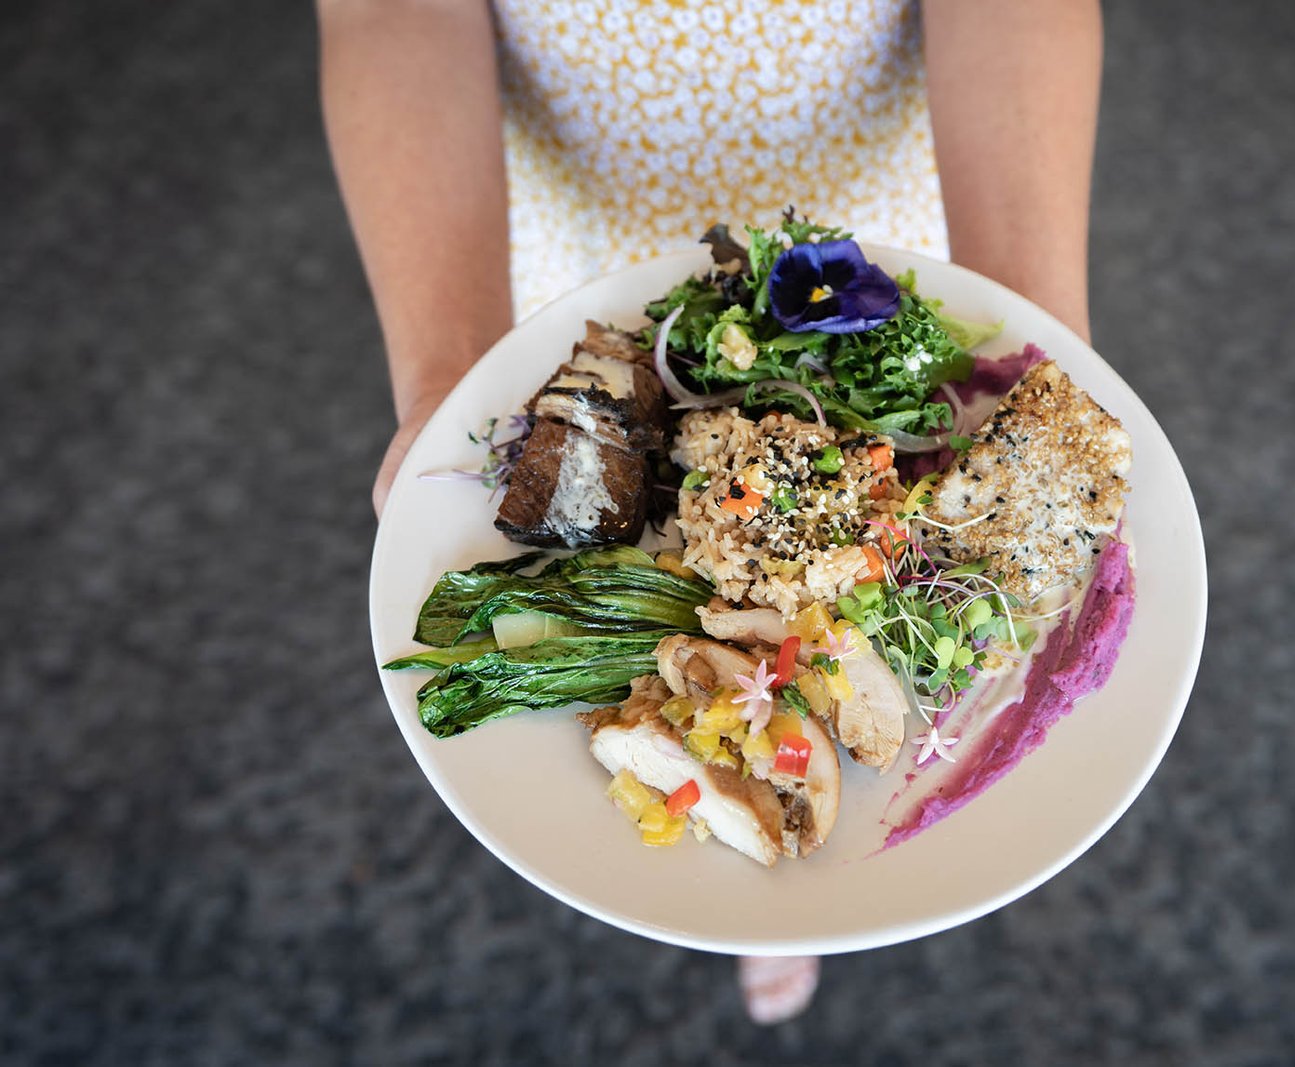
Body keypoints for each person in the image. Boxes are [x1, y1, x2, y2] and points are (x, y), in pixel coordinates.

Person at [317, 0, 1101, 1025]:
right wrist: (443, 379)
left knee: (822, 822)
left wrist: (1047, 360)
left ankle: (783, 891)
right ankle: (732, 875)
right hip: (577, 204)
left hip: (863, 257)